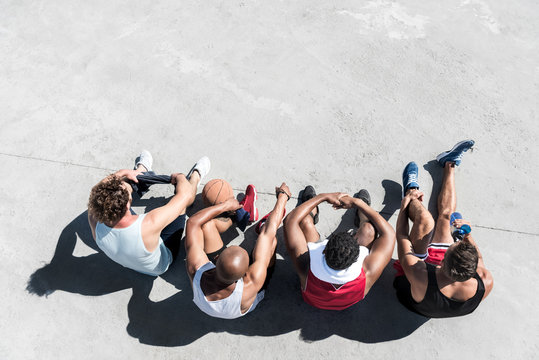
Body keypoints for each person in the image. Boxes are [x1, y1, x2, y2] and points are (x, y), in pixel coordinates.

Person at [394, 140, 494, 317]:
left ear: (442, 260)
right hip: (440, 277)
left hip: (417, 283)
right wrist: (468, 235)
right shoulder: (485, 280)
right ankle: (449, 163)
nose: (452, 242)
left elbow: (402, 234)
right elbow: (478, 257)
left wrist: (404, 205)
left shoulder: (419, 274)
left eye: (451, 246)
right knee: (446, 216)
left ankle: (411, 190)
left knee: (426, 221)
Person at [87, 150, 210, 276]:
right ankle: (195, 177)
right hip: (161, 263)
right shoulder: (148, 223)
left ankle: (141, 172)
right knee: (182, 204)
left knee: (121, 186)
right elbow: (186, 194)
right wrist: (180, 177)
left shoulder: (93, 217)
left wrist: (122, 173)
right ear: (128, 204)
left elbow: (97, 191)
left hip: (135, 263)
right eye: (128, 195)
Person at [185, 183, 291, 319]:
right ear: (246, 273)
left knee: (206, 225)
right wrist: (283, 197)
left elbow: (192, 223)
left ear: (216, 259)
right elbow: (268, 234)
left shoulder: (195, 269)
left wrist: (225, 206)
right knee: (271, 242)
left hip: (214, 292)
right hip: (243, 301)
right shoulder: (250, 284)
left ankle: (242, 215)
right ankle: (261, 222)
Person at [283, 186, 395, 310]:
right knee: (369, 230)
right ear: (356, 258)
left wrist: (322, 197)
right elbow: (389, 233)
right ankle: (362, 213)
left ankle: (311, 209)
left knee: (304, 222)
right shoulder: (368, 272)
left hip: (313, 301)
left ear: (324, 250)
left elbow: (290, 220)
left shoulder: (306, 265)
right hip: (345, 304)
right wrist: (359, 203)